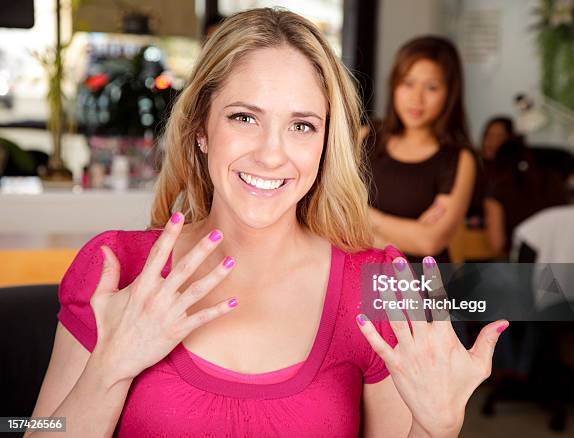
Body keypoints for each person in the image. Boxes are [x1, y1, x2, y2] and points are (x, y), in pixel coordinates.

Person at [29, 9, 508, 437]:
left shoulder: (376, 286)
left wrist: (435, 429)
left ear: (325, 144)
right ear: (201, 128)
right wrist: (108, 368)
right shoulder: (116, 268)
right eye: (244, 117)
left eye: (302, 125)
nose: (272, 153)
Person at [364, 36, 477, 264]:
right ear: (394, 85)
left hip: (420, 286)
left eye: (432, 87)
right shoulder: (365, 136)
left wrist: (360, 216)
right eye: (408, 83)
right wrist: (408, 234)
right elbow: (326, 211)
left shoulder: (458, 159)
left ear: (449, 94)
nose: (417, 98)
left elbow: (429, 242)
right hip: (357, 278)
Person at [484, 137, 568, 256]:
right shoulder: (555, 182)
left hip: (521, 266)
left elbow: (497, 244)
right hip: (561, 262)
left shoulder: (497, 191)